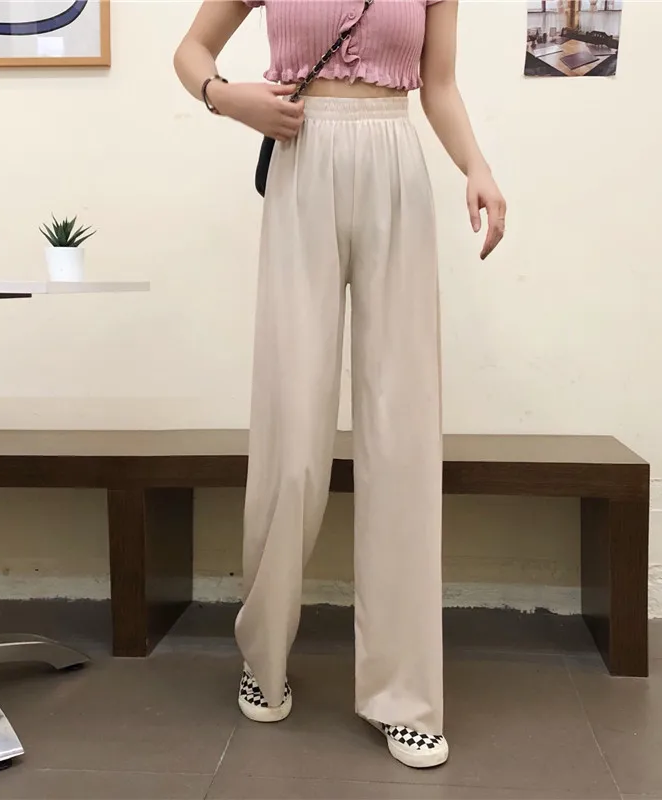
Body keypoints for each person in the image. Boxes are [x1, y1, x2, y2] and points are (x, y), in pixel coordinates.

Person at [174, 0, 506, 769]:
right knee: (291, 430)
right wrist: (228, 98)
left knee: (402, 431)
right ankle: (263, 655)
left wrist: (478, 167)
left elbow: (438, 85)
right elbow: (190, 50)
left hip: (395, 160)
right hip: (302, 158)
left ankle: (405, 692)